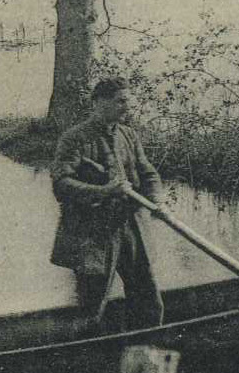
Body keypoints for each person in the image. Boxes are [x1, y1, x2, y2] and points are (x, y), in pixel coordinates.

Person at [50, 77, 166, 328]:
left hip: (130, 228)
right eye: (120, 101)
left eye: (128, 101)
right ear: (98, 103)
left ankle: (145, 352)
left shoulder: (128, 135)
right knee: (93, 305)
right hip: (93, 235)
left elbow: (148, 173)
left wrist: (156, 199)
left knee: (148, 300)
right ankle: (88, 356)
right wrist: (104, 191)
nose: (127, 107)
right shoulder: (74, 139)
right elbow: (62, 185)